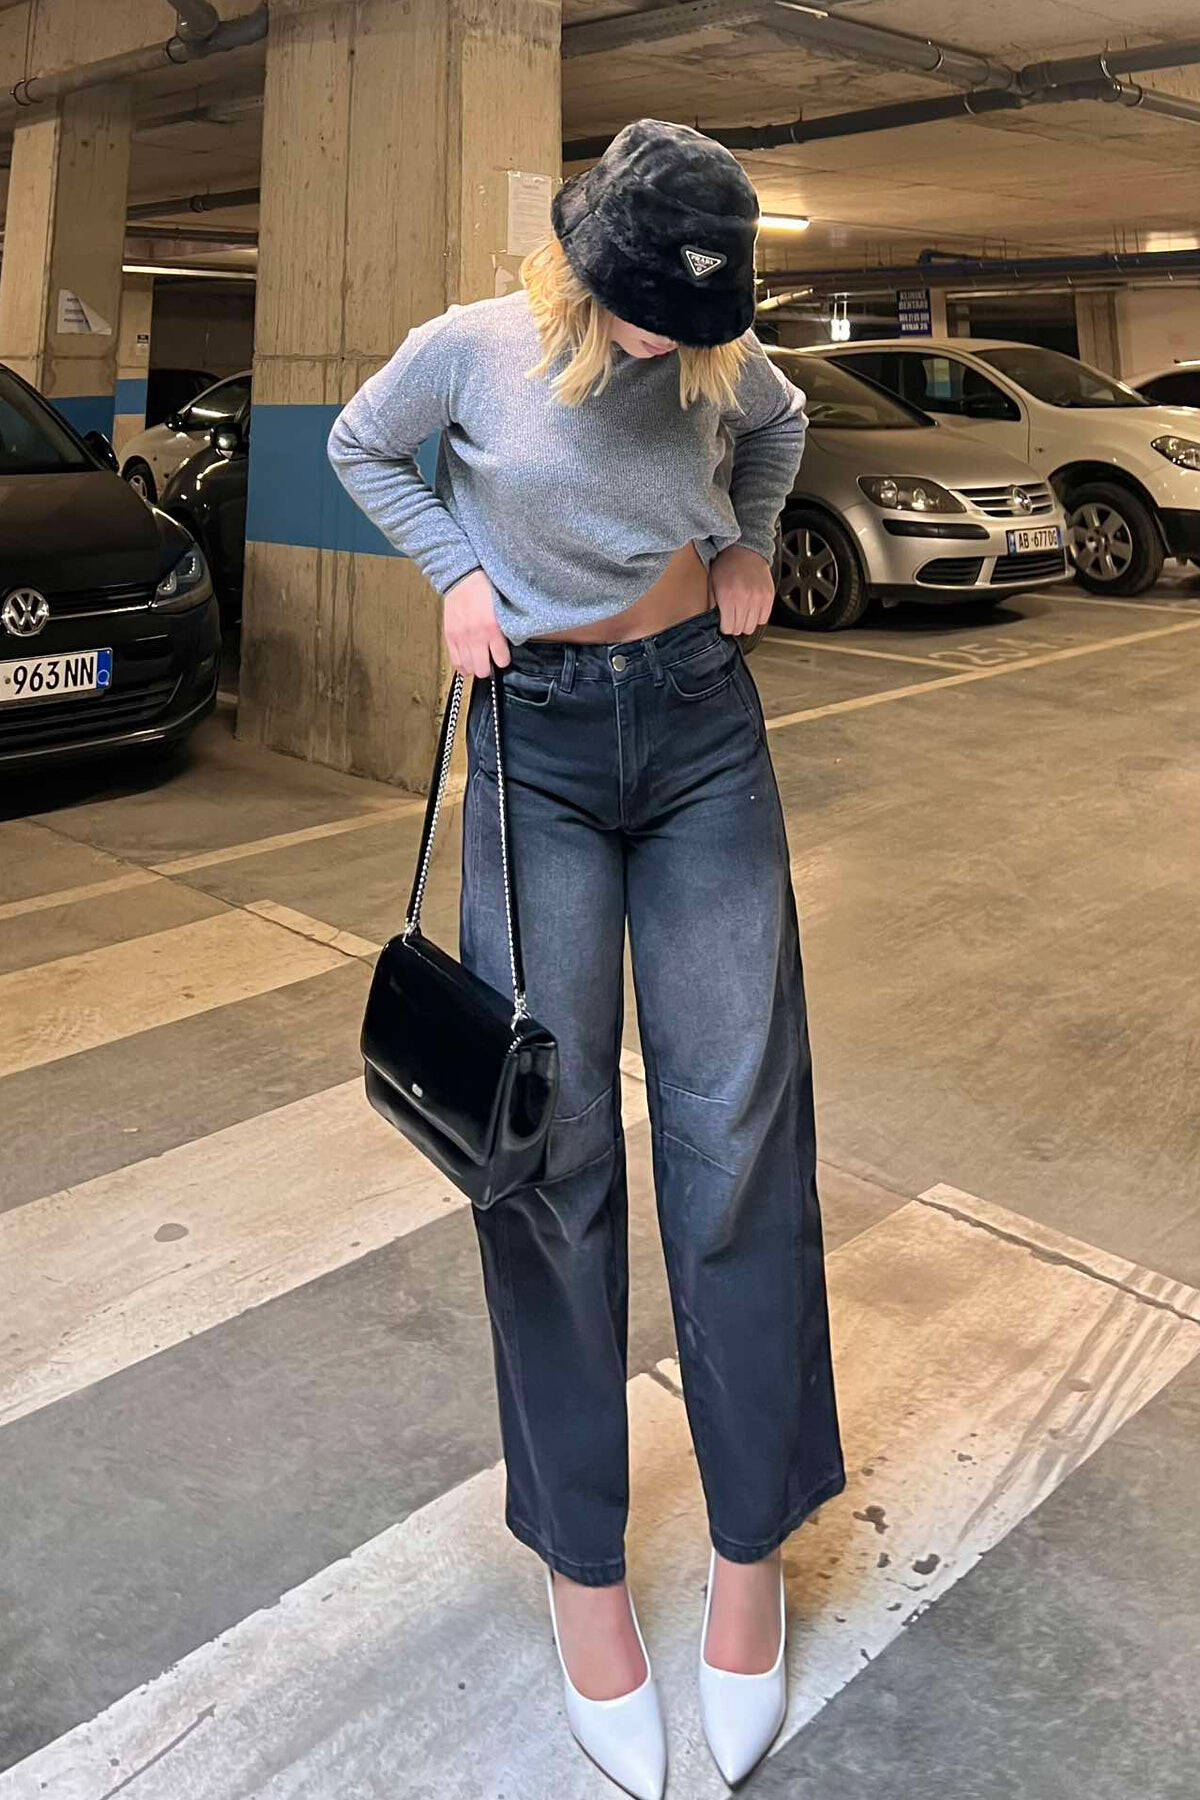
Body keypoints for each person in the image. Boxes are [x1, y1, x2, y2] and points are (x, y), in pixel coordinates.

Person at [328, 117, 845, 1799]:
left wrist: (749, 541)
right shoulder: (470, 349)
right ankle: (584, 1573)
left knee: (739, 1133)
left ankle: (752, 1549)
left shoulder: (724, 356)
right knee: (544, 1154)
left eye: (696, 318)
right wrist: (456, 573)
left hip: (700, 730)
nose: (669, 342)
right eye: (644, 309)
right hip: (533, 747)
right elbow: (360, 447)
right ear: (580, 266)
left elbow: (782, 425)